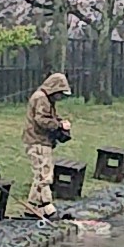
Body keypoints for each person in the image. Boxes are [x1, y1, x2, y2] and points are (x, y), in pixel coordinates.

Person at [22, 72, 73, 220]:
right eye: (60, 94)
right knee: (44, 175)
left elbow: (49, 117)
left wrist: (60, 121)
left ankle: (32, 207)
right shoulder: (41, 98)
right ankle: (48, 207)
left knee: (41, 172)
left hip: (42, 141)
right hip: (37, 140)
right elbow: (42, 120)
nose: (60, 97)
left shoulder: (46, 99)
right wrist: (59, 125)